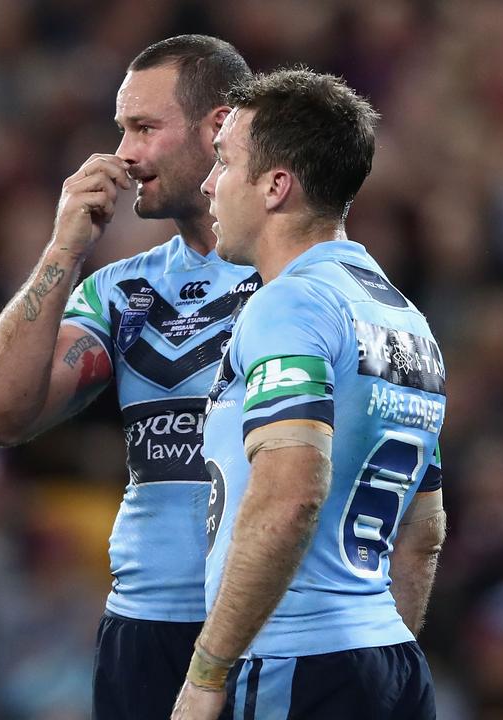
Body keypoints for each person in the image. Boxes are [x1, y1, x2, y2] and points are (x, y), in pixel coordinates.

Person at [0, 35, 254, 719]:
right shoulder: (123, 293)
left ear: (219, 127)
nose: (122, 153)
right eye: (121, 128)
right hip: (143, 628)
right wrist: (64, 250)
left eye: (144, 128)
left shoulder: (301, 279)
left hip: (265, 623)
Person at [172, 69, 446, 719]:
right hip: (390, 665)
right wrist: (371, 671)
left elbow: (291, 493)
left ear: (275, 185)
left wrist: (208, 673)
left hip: (289, 664)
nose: (209, 185)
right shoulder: (408, 321)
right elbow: (423, 533)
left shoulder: (292, 304)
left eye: (224, 162)